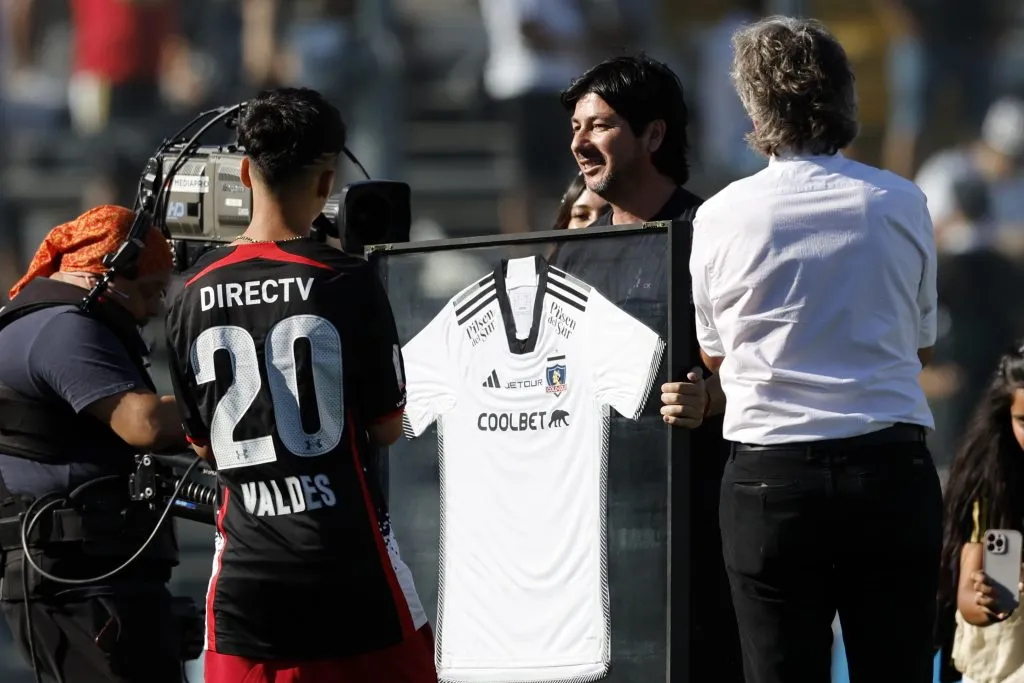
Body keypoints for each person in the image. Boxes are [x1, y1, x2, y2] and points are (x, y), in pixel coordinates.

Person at [689, 16, 941, 683]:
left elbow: (715, 356)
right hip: (889, 467)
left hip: (772, 478)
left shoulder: (719, 214)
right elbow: (919, 344)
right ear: (845, 96)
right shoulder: (903, 201)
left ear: (753, 104)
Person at [163, 87, 436, 683]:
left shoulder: (188, 293)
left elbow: (204, 446)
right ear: (326, 183)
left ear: (243, 171)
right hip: (350, 567)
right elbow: (387, 427)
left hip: (247, 577)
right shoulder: (347, 279)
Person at [557, 54, 743, 681]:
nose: (580, 143)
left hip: (700, 551)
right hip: (598, 550)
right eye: (577, 127)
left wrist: (713, 397)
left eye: (600, 125)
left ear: (654, 135)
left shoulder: (715, 235)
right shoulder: (578, 258)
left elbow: (770, 366)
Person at [0, 205, 186, 683]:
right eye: (149, 291)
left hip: (86, 577)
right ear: (105, 276)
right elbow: (142, 423)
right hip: (82, 583)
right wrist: (243, 395)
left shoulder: (39, 323)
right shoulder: (63, 327)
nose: (154, 308)